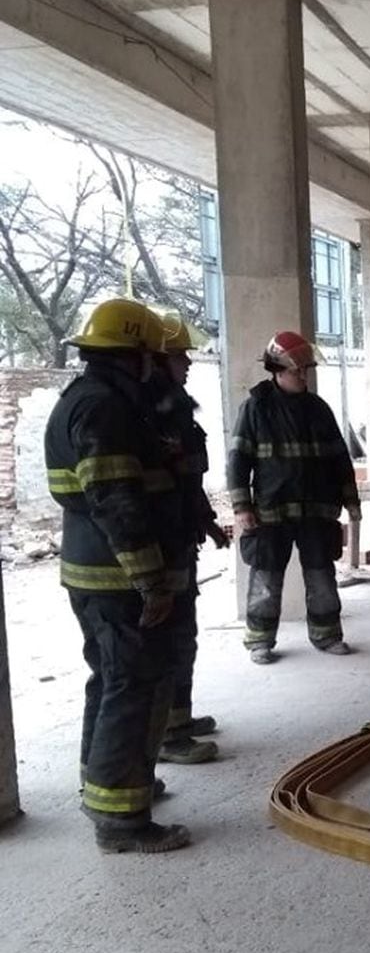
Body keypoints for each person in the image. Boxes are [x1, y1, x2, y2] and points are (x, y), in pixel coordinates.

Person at [45, 297, 191, 854]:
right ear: (135, 355)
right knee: (133, 685)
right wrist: (151, 580)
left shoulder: (96, 400)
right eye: (154, 355)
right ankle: (123, 822)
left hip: (100, 574)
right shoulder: (105, 409)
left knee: (111, 680)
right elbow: (116, 500)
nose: (161, 364)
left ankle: (109, 785)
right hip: (117, 577)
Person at [227, 330, 361, 664]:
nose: (303, 375)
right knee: (266, 579)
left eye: (305, 369)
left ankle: (327, 635)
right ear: (276, 369)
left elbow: (340, 459)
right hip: (271, 513)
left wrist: (351, 500)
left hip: (317, 511)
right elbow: (238, 461)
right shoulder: (255, 409)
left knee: (321, 577)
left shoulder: (318, 409)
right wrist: (242, 506)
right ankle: (260, 640)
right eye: (296, 370)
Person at [150, 312, 229, 765]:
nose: (188, 363)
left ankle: (179, 719)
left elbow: (185, 482)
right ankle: (169, 736)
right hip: (160, 548)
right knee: (170, 641)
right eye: (180, 355)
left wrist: (206, 521)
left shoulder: (171, 408)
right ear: (156, 359)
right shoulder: (150, 414)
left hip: (179, 539)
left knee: (183, 635)